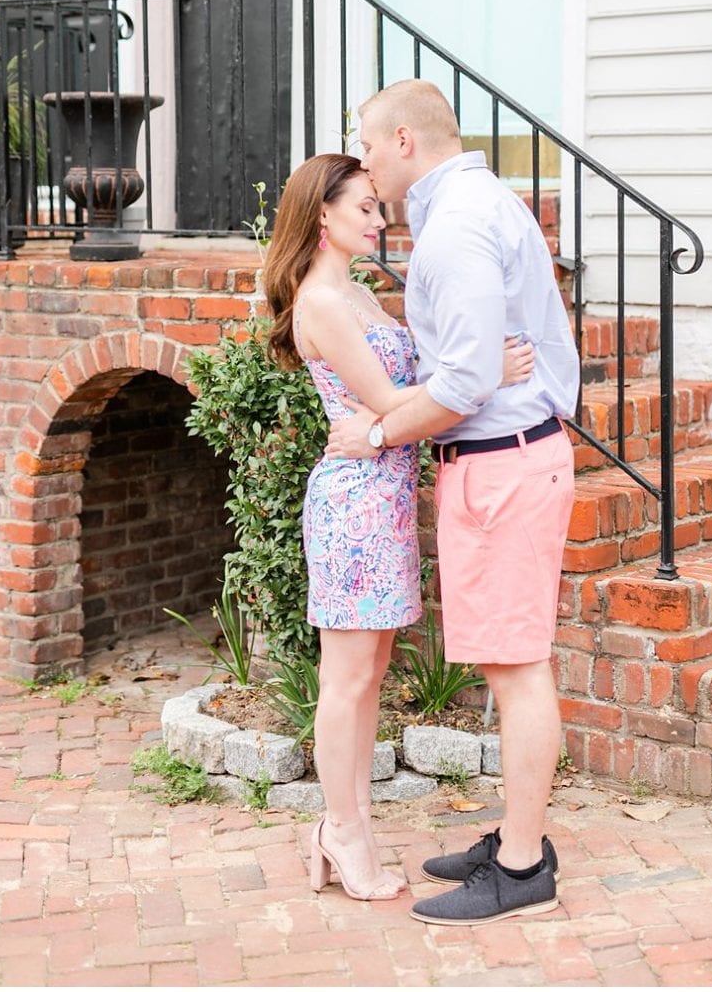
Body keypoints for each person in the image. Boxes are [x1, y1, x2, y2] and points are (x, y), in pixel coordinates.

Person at [325, 80, 581, 926]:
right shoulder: (473, 205)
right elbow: (475, 362)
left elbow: (467, 377)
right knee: (513, 661)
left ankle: (519, 869)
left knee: (516, 667)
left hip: (502, 465)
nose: (363, 160)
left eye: (367, 143)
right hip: (504, 459)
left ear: (403, 138)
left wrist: (377, 432)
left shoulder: (459, 223)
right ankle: (516, 834)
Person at [262, 152, 534, 902]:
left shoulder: (356, 290)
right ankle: (342, 831)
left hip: (381, 496)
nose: (381, 220)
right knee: (346, 680)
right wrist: (485, 375)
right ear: (323, 213)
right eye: (365, 209)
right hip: (352, 501)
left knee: (369, 675)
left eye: (379, 208)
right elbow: (387, 401)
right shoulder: (321, 301)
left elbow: (406, 398)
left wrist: (466, 372)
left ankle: (345, 828)